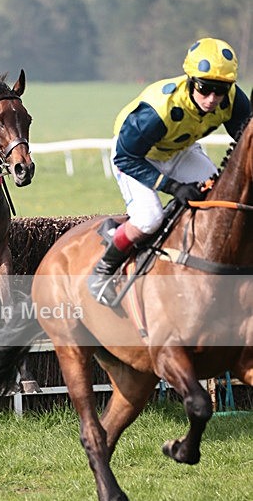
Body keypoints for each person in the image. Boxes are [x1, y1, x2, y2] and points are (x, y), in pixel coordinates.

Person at [88, 37, 252, 305]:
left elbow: (246, 140)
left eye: (220, 90)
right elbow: (126, 157)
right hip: (134, 156)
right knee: (149, 219)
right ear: (190, 80)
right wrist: (173, 187)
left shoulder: (232, 100)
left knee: (220, 199)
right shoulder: (157, 111)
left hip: (179, 150)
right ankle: (103, 268)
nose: (212, 99)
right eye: (205, 88)